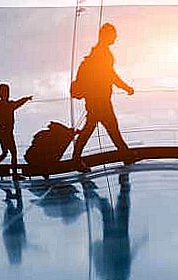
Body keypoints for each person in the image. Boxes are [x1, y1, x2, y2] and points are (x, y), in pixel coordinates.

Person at [71, 23, 136, 172]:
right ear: (106, 35)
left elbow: (109, 75)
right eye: (113, 34)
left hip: (95, 99)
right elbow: (111, 75)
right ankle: (125, 155)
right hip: (100, 100)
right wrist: (126, 87)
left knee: (95, 128)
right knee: (110, 127)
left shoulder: (98, 52)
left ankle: (125, 155)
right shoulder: (103, 53)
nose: (116, 37)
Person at [0, 83, 32, 180]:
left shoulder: (2, 105)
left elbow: (19, 103)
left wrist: (26, 99)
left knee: (5, 153)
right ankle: (13, 174)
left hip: (5, 133)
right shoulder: (4, 105)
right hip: (6, 134)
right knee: (13, 153)